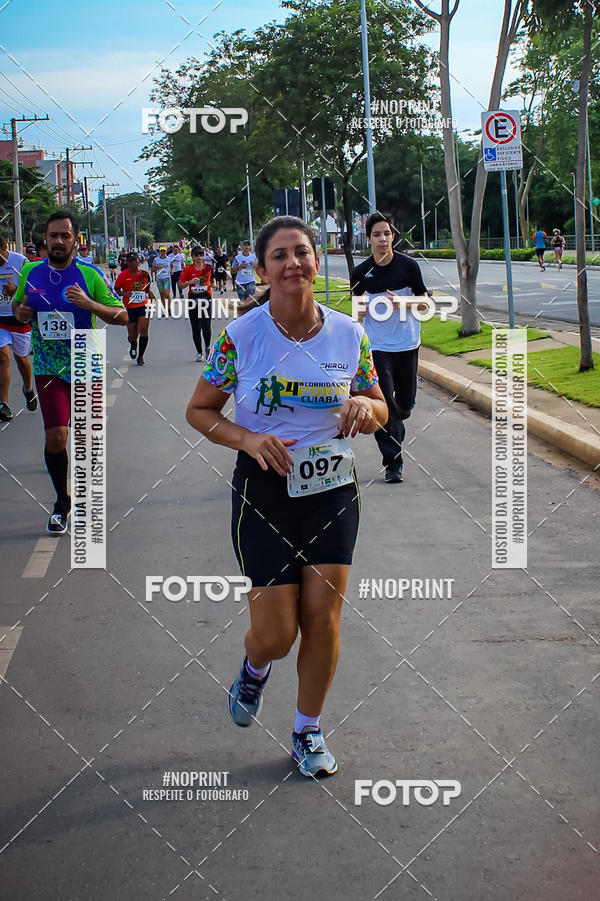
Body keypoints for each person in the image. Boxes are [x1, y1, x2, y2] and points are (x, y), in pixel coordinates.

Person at [186, 215, 388, 778]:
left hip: (331, 490)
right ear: (261, 269)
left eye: (302, 252)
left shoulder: (349, 334)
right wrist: (247, 438)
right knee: (276, 635)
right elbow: (199, 410)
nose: (293, 263)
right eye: (280, 255)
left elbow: (380, 409)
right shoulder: (241, 337)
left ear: (317, 262)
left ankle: (308, 731)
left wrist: (363, 409)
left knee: (323, 620)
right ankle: (254, 668)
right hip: (265, 491)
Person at [12, 210, 127, 533]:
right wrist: (21, 311)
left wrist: (91, 305)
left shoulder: (90, 275)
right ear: (45, 241)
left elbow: (120, 315)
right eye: (53, 236)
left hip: (85, 360)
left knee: (87, 439)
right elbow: (19, 310)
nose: (59, 241)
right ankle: (62, 502)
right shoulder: (31, 272)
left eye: (65, 235)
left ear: (76, 239)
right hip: (48, 364)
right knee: (56, 437)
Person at [351, 212, 429, 484]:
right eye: (376, 234)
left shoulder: (409, 266)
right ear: (369, 239)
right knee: (383, 403)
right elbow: (357, 309)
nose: (382, 239)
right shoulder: (361, 272)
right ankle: (393, 463)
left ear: (393, 236)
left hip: (407, 343)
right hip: (377, 347)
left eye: (386, 233)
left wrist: (404, 304)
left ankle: (397, 418)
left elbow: (426, 303)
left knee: (403, 406)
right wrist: (360, 309)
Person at [0, 234, 36, 420]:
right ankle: (3, 403)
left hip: (18, 317)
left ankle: (28, 389)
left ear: (4, 249)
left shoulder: (20, 261)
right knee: (3, 356)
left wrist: (16, 292)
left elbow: (31, 289)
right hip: (0, 319)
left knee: (21, 359)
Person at [114, 250, 156, 365]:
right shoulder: (123, 275)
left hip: (143, 305)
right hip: (129, 307)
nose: (133, 263)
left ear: (139, 261)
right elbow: (116, 290)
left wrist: (150, 293)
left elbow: (146, 288)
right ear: (127, 262)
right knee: (132, 335)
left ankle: (141, 356)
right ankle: (133, 344)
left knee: (143, 330)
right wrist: (124, 294)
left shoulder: (144, 274)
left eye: (135, 260)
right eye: (131, 261)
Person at [179, 246, 214, 361]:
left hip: (206, 297)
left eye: (201, 255)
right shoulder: (188, 269)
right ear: (192, 257)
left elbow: (212, 280)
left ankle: (207, 347)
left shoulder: (208, 268)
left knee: (206, 325)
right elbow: (180, 285)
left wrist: (212, 285)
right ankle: (199, 352)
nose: (199, 257)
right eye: (196, 255)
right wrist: (190, 282)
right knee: (196, 327)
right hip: (193, 298)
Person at [151, 246, 173, 313]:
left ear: (166, 251)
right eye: (161, 251)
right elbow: (152, 269)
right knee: (162, 295)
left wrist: (172, 271)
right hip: (159, 279)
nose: (163, 252)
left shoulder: (169, 259)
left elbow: (172, 265)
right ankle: (165, 309)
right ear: (159, 252)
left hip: (166, 278)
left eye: (164, 251)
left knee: (167, 294)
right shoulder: (156, 260)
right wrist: (157, 267)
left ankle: (169, 308)